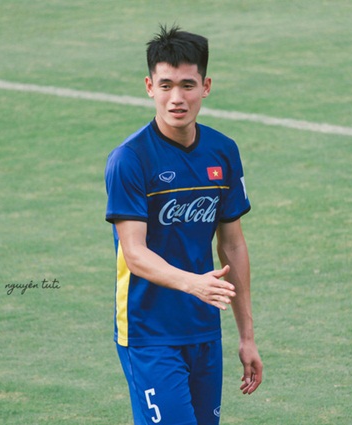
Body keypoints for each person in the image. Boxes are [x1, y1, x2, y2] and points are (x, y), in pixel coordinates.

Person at [105, 25, 263, 425]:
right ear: (149, 87)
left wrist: (246, 337)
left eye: (187, 85)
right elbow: (134, 253)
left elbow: (233, 245)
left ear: (205, 87)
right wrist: (193, 284)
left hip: (203, 330)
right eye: (166, 85)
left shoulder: (223, 151)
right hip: (148, 333)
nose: (177, 97)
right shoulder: (130, 160)